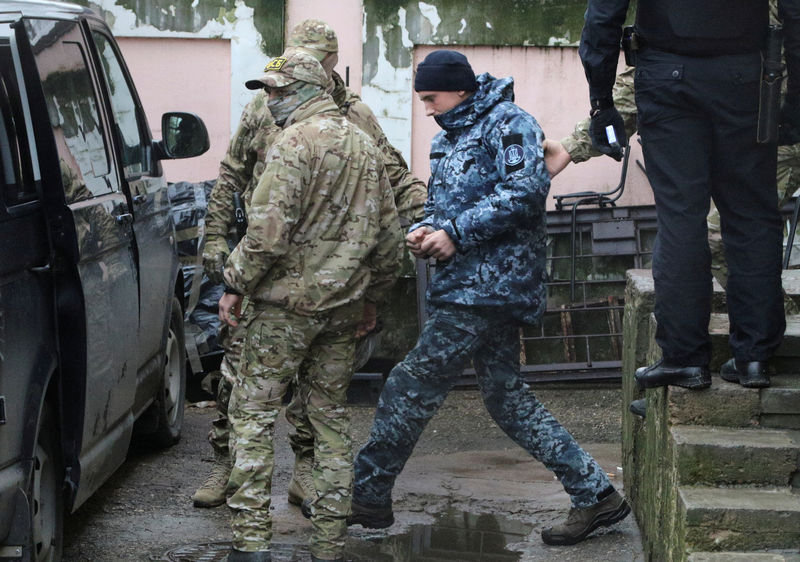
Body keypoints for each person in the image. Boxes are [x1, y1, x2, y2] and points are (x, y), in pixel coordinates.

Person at [347, 50, 630, 547]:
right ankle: (596, 494)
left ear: (458, 88)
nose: (428, 109)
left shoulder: (508, 123)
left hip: (489, 286)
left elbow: (525, 190)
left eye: (431, 98)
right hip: (465, 284)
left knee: (409, 384)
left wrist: (455, 232)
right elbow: (436, 203)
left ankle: (367, 498)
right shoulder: (448, 140)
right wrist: (424, 229)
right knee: (506, 397)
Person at [192, 19, 427, 509]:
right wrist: (216, 239)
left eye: (315, 59)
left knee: (314, 396)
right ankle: (226, 465)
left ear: (328, 64)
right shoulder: (265, 105)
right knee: (237, 377)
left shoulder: (356, 117)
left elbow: (394, 179)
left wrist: (434, 221)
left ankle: (305, 471)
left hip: (326, 276)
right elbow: (232, 174)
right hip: (265, 267)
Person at [218, 49, 402, 562]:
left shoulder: (292, 143)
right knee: (330, 421)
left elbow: (266, 235)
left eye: (277, 91)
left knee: (252, 413)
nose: (270, 102)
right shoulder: (365, 146)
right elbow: (390, 239)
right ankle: (328, 545)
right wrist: (373, 299)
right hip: (342, 310)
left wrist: (233, 283)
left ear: (303, 90)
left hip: (284, 310)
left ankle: (252, 543)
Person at [579, 0, 800, 399]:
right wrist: (796, 98)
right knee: (751, 213)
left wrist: (602, 102)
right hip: (745, 76)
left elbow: (603, 16)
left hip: (667, 77)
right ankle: (754, 356)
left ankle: (684, 356)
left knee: (681, 216)